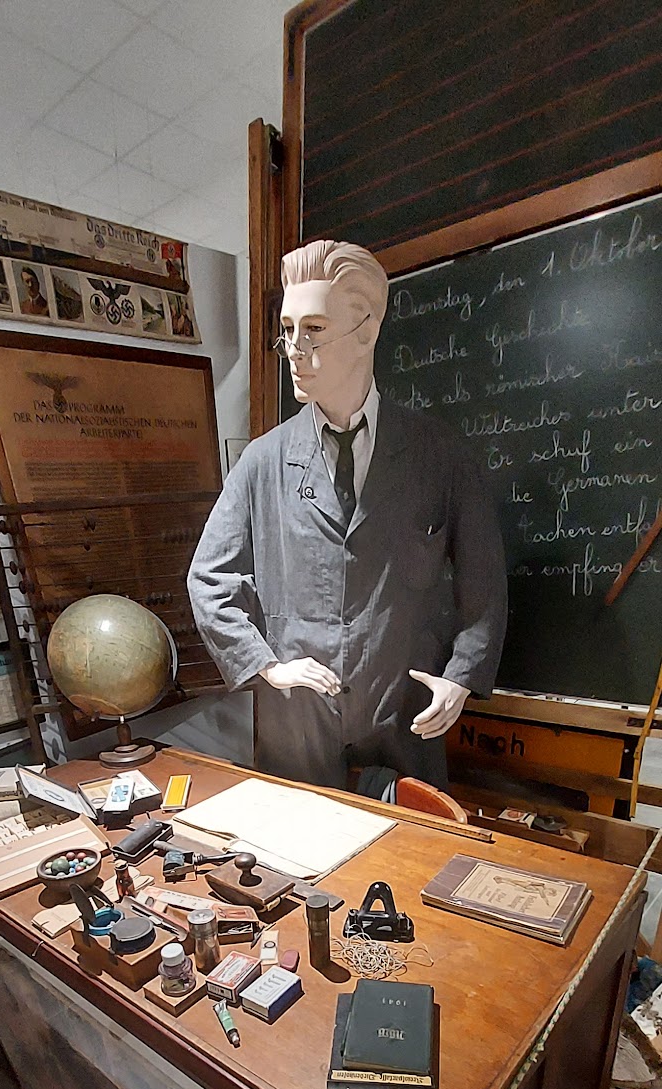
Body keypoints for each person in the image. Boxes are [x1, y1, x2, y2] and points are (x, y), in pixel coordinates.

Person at [187, 239, 508, 791]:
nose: (294, 349)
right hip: (297, 722)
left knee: (406, 839)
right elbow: (208, 577)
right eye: (287, 330)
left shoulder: (440, 454)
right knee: (299, 842)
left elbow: (484, 581)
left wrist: (461, 676)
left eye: (313, 329)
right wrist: (266, 665)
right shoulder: (262, 462)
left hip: (404, 713)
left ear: (366, 330)